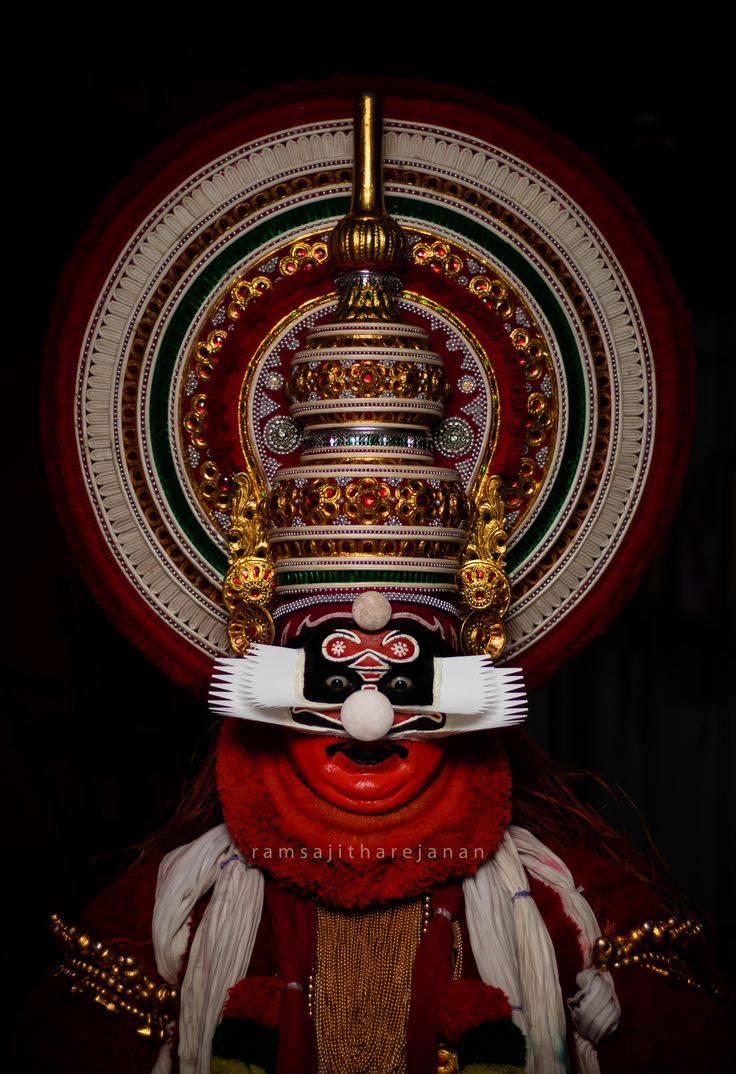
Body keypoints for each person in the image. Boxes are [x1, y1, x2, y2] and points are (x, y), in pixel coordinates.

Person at [32, 85, 734, 1073]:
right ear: (261, 657)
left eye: (403, 667)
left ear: (470, 656)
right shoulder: (168, 920)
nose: (366, 712)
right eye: (329, 667)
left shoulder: (568, 903)